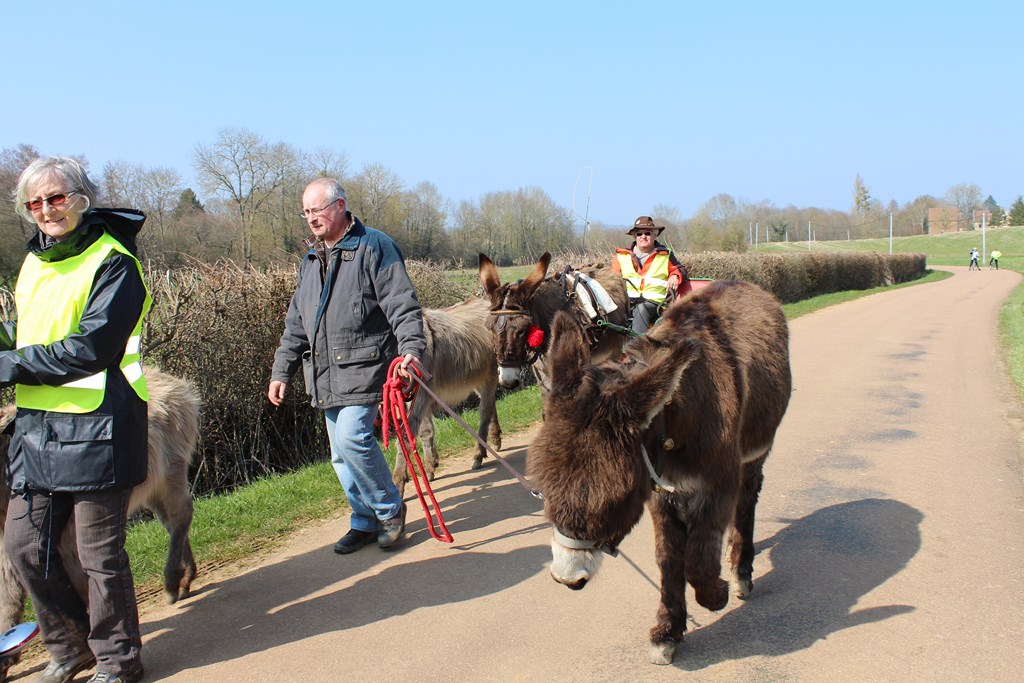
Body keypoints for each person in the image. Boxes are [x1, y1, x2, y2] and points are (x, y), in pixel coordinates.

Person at [1, 157, 150, 683]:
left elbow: (91, 348)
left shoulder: (115, 262)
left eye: (57, 197)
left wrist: (7, 365)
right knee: (24, 547)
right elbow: (26, 338)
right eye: (34, 203)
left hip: (100, 428)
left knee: (98, 556)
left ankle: (118, 660)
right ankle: (70, 647)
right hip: (37, 431)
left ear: (82, 198)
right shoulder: (32, 261)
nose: (46, 210)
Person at [268, 177, 425, 555]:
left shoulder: (375, 246)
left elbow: (402, 304)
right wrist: (281, 371)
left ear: (340, 206)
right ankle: (365, 521)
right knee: (340, 454)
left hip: (366, 367)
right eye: (306, 212)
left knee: (353, 438)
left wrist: (411, 350)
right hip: (324, 374)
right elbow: (296, 324)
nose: (311, 218)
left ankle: (390, 509)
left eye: (317, 210)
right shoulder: (310, 261)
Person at [612, 216, 688, 333]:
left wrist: (675, 276)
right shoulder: (621, 256)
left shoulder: (665, 255)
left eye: (647, 233)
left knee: (641, 309)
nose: (643, 236)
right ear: (635, 236)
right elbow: (612, 280)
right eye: (639, 234)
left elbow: (680, 270)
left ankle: (637, 344)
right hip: (626, 304)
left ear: (655, 235)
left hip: (655, 305)